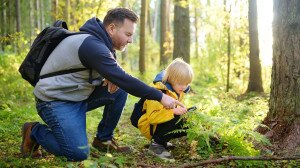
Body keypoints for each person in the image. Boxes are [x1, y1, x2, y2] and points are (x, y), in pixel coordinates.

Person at [20, 7, 184, 161]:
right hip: (55, 102)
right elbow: (124, 78)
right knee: (76, 153)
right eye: (128, 34)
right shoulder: (92, 45)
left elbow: (116, 76)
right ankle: (33, 131)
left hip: (77, 96)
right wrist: (160, 97)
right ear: (112, 28)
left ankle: (103, 139)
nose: (131, 40)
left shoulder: (104, 44)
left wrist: (112, 77)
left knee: (119, 91)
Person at [137, 58, 194, 160]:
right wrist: (174, 111)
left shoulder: (176, 89)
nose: (184, 87)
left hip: (159, 123)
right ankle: (156, 145)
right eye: (181, 83)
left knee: (189, 120)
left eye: (187, 84)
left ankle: (161, 141)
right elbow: (152, 118)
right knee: (178, 120)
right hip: (148, 125)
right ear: (171, 78)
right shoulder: (158, 91)